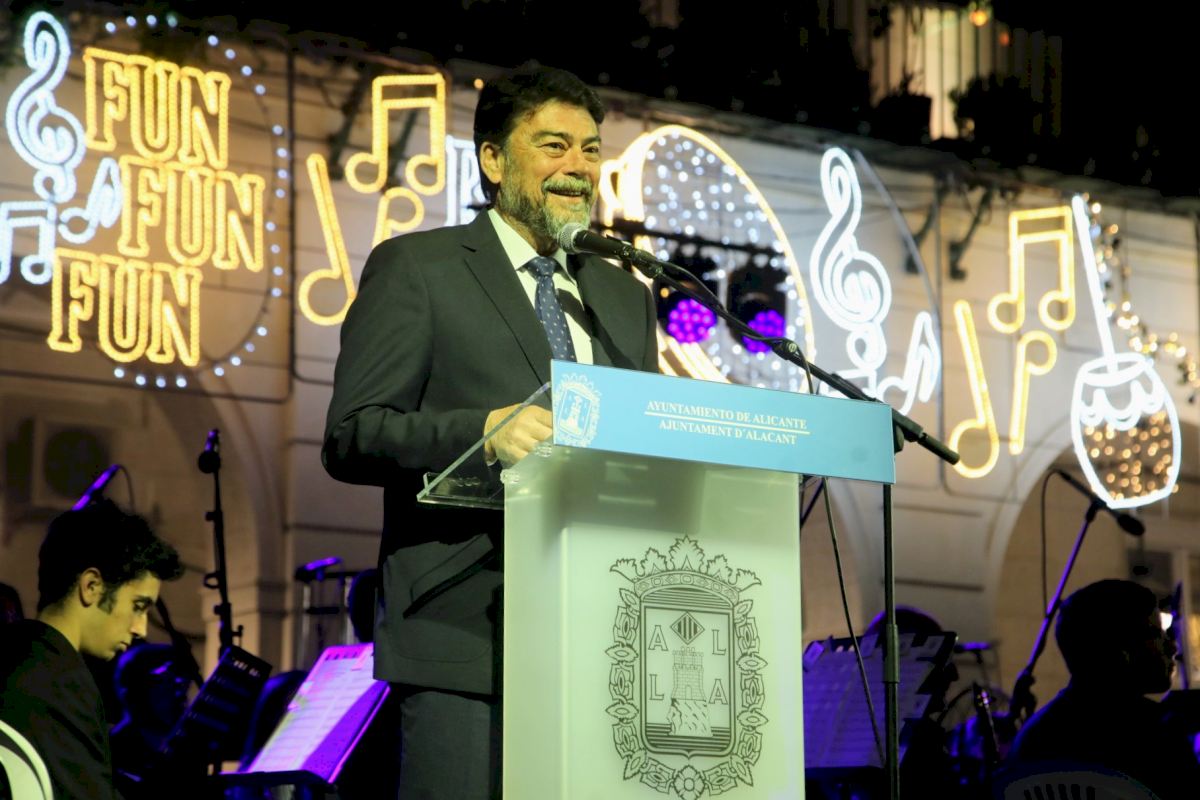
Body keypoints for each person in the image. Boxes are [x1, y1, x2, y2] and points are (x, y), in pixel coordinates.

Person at [323, 62, 659, 797]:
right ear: (494, 160)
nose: (578, 167)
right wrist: (480, 432)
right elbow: (353, 432)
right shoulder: (419, 268)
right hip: (465, 631)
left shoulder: (624, 295)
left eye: (591, 150)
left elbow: (648, 444)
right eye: (553, 145)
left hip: (608, 637)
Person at [0, 500, 183, 800]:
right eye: (138, 606)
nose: (141, 629)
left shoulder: (17, 659)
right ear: (92, 586)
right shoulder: (62, 685)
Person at [1005, 579, 1200, 798]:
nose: (1172, 646)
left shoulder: (1035, 737)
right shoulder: (1158, 734)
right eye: (1156, 633)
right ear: (1122, 649)